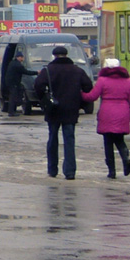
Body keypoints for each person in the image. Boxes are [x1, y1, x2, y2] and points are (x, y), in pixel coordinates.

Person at [33, 45, 94, 180]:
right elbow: (88, 86)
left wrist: (44, 100)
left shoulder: (48, 70)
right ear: (67, 55)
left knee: (52, 139)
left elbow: (38, 85)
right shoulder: (77, 70)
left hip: (53, 109)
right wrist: (79, 100)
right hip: (71, 109)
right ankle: (70, 172)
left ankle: (52, 169)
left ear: (54, 56)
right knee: (69, 140)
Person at [81, 58, 130, 179]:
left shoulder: (102, 80)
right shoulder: (127, 81)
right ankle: (125, 157)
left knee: (108, 142)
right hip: (123, 112)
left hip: (107, 111)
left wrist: (81, 94)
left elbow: (92, 96)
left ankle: (112, 171)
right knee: (120, 139)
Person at [5, 51, 36, 116]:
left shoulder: (12, 63)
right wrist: (37, 72)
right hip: (14, 83)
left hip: (10, 83)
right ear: (18, 57)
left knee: (12, 97)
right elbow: (26, 72)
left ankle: (12, 111)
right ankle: (11, 112)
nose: (22, 59)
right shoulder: (18, 65)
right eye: (21, 57)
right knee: (13, 97)